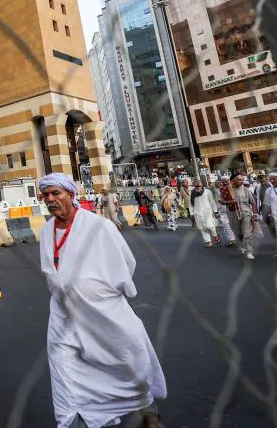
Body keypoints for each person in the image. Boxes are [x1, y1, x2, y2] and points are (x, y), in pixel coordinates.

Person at [38, 173, 166, 428]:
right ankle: (71, 420)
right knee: (64, 374)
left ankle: (146, 409)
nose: (50, 199)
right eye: (46, 195)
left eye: (56, 193)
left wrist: (101, 290)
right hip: (64, 318)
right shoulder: (46, 230)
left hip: (104, 313)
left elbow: (126, 263)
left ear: (71, 195)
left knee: (129, 361)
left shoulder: (98, 226)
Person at [221, 172, 259, 260]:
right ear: (232, 181)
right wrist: (231, 202)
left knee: (247, 232)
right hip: (232, 213)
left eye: (242, 179)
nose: (241, 181)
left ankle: (249, 251)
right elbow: (221, 202)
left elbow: (253, 203)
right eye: (239, 179)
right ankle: (243, 244)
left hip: (246, 212)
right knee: (238, 233)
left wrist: (254, 214)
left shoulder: (246, 190)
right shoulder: (225, 190)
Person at [189, 181, 220, 248]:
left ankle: (215, 236)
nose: (198, 184)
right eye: (196, 183)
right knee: (202, 227)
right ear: (194, 184)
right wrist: (191, 213)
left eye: (199, 182)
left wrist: (215, 211)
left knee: (210, 226)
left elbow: (212, 201)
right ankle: (208, 242)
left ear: (202, 184)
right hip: (197, 212)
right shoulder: (192, 193)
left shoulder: (207, 191)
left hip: (207, 212)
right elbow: (190, 204)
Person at [214, 177, 237, 247]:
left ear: (229, 181)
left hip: (235, 210)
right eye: (223, 182)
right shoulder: (219, 190)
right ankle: (231, 240)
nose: (225, 183)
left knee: (235, 226)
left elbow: (236, 199)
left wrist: (225, 202)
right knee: (226, 226)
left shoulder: (233, 188)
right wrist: (216, 211)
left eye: (226, 181)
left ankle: (237, 238)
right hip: (223, 211)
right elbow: (217, 201)